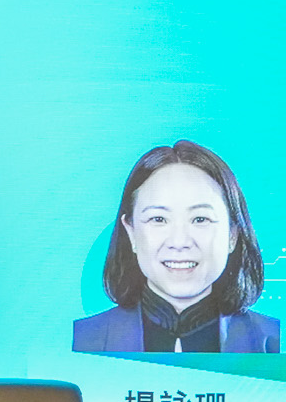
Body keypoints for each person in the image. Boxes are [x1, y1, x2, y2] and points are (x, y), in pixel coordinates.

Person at [72, 141, 277, 353]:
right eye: (158, 219)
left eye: (200, 219)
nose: (179, 242)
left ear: (232, 235)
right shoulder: (81, 341)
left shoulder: (273, 341)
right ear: (131, 231)